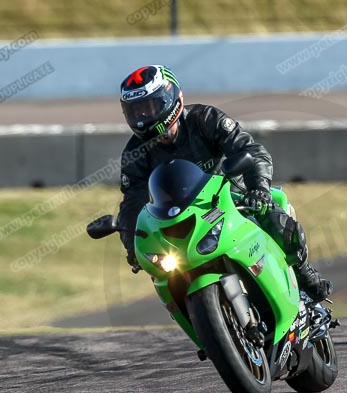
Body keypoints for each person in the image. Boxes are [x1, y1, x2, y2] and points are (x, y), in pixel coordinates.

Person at [115, 65, 332, 301]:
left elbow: (250, 150)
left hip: (231, 198)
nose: (144, 116)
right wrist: (132, 245)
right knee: (163, 267)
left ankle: (304, 273)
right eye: (136, 111)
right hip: (180, 216)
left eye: (150, 106)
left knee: (274, 219)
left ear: (171, 97)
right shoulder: (134, 153)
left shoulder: (205, 119)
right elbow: (132, 202)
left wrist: (258, 189)